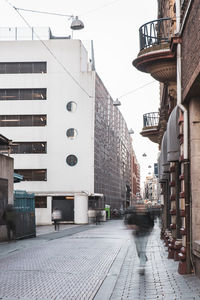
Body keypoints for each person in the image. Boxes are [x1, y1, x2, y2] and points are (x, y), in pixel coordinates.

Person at [124, 204, 154, 275]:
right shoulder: (133, 216)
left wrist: (149, 230)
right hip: (136, 235)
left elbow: (152, 224)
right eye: (139, 207)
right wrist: (132, 226)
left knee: (142, 250)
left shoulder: (147, 215)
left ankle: (142, 267)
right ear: (137, 208)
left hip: (145, 234)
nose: (141, 208)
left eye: (142, 207)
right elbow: (127, 223)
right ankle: (144, 258)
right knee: (139, 251)